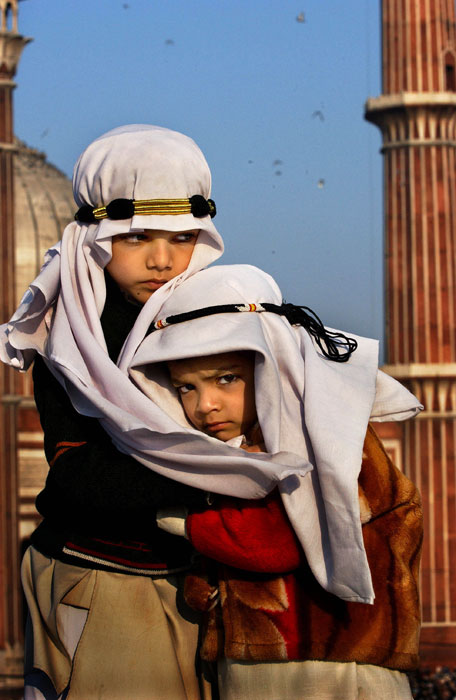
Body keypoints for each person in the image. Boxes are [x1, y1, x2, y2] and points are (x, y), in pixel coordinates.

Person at [1, 123, 230, 700]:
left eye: (182, 237)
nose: (162, 259)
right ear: (98, 239)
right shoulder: (72, 344)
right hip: (102, 577)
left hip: (196, 580)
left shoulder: (210, 325)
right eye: (137, 238)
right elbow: (79, 478)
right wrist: (219, 473)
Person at [127, 263, 424, 700]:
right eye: (186, 388)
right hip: (269, 661)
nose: (205, 405)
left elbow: (270, 544)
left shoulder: (322, 438)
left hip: (329, 663)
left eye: (226, 378)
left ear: (272, 366)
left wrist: (177, 519)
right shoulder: (245, 449)